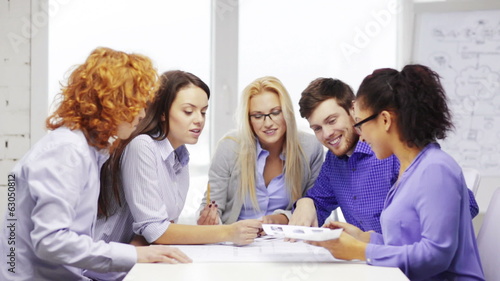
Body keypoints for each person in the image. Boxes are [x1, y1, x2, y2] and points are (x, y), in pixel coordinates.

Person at [0, 48, 191, 281]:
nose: (142, 114)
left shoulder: (88, 151)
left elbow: (73, 253)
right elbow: (50, 242)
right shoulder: (67, 151)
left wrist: (136, 260)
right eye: (135, 104)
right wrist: (134, 255)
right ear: (110, 102)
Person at [309, 64, 485, 280]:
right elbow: (405, 244)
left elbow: (435, 256)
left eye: (361, 124)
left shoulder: (435, 170)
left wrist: (359, 250)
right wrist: (363, 238)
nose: (361, 137)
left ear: (385, 120)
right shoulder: (410, 170)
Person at [92, 70, 261, 260]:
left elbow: (162, 228)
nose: (199, 119)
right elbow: (156, 230)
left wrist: (206, 230)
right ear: (163, 114)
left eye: (203, 112)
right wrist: (227, 232)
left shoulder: (180, 158)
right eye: (188, 111)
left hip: (135, 263)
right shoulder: (142, 146)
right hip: (102, 269)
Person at [291, 77, 479, 233]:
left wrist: (400, 238)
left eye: (332, 120)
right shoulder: (334, 161)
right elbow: (317, 204)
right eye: (317, 128)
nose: (327, 134)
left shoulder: (394, 150)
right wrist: (306, 202)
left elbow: (466, 207)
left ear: (353, 109)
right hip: (367, 264)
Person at [197, 76, 324, 226]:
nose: (268, 123)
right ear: (248, 119)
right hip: (236, 242)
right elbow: (212, 204)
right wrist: (209, 220)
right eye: (258, 116)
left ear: (287, 112)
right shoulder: (229, 147)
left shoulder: (311, 148)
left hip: (287, 240)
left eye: (276, 112)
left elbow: (316, 206)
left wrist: (281, 219)